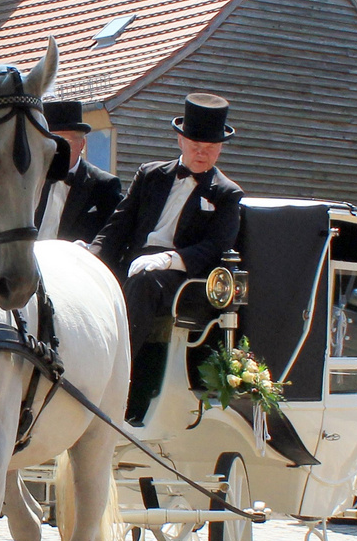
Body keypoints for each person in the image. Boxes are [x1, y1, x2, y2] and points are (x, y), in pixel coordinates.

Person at [88, 92, 243, 359]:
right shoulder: (150, 175)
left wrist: (168, 259)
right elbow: (118, 225)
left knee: (143, 283)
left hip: (181, 278)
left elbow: (215, 247)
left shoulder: (227, 194)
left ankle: (118, 367)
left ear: (220, 148)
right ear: (180, 140)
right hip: (134, 262)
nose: (201, 152)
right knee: (91, 278)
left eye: (210, 146)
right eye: (195, 144)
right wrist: (89, 259)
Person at [35, 100, 122, 242]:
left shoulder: (104, 185)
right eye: (49, 142)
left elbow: (110, 239)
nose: (56, 149)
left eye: (64, 142)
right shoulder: (30, 181)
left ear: (82, 144)